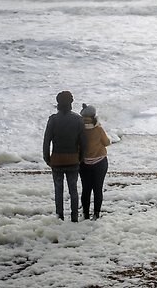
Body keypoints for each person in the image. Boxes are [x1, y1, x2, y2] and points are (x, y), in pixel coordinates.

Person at [43, 90, 86, 222]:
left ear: (58, 103)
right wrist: (81, 157)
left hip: (57, 159)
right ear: (71, 103)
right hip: (73, 159)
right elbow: (83, 142)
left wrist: (47, 157)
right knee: (73, 189)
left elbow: (47, 140)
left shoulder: (53, 119)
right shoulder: (78, 119)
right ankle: (74, 217)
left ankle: (59, 216)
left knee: (58, 189)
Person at [79, 103, 111, 220]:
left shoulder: (80, 129)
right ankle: (96, 213)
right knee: (98, 189)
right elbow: (107, 142)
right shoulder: (98, 129)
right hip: (100, 162)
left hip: (84, 163)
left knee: (86, 189)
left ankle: (86, 213)